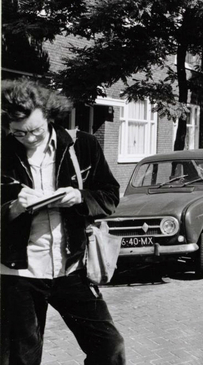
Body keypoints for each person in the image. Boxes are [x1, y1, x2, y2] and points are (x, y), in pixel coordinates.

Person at [1, 79, 125, 365]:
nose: (29, 139)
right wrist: (13, 208)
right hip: (18, 273)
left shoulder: (83, 145)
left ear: (49, 116)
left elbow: (110, 196)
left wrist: (80, 197)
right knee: (22, 358)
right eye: (19, 133)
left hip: (71, 266)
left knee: (109, 347)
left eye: (36, 131)